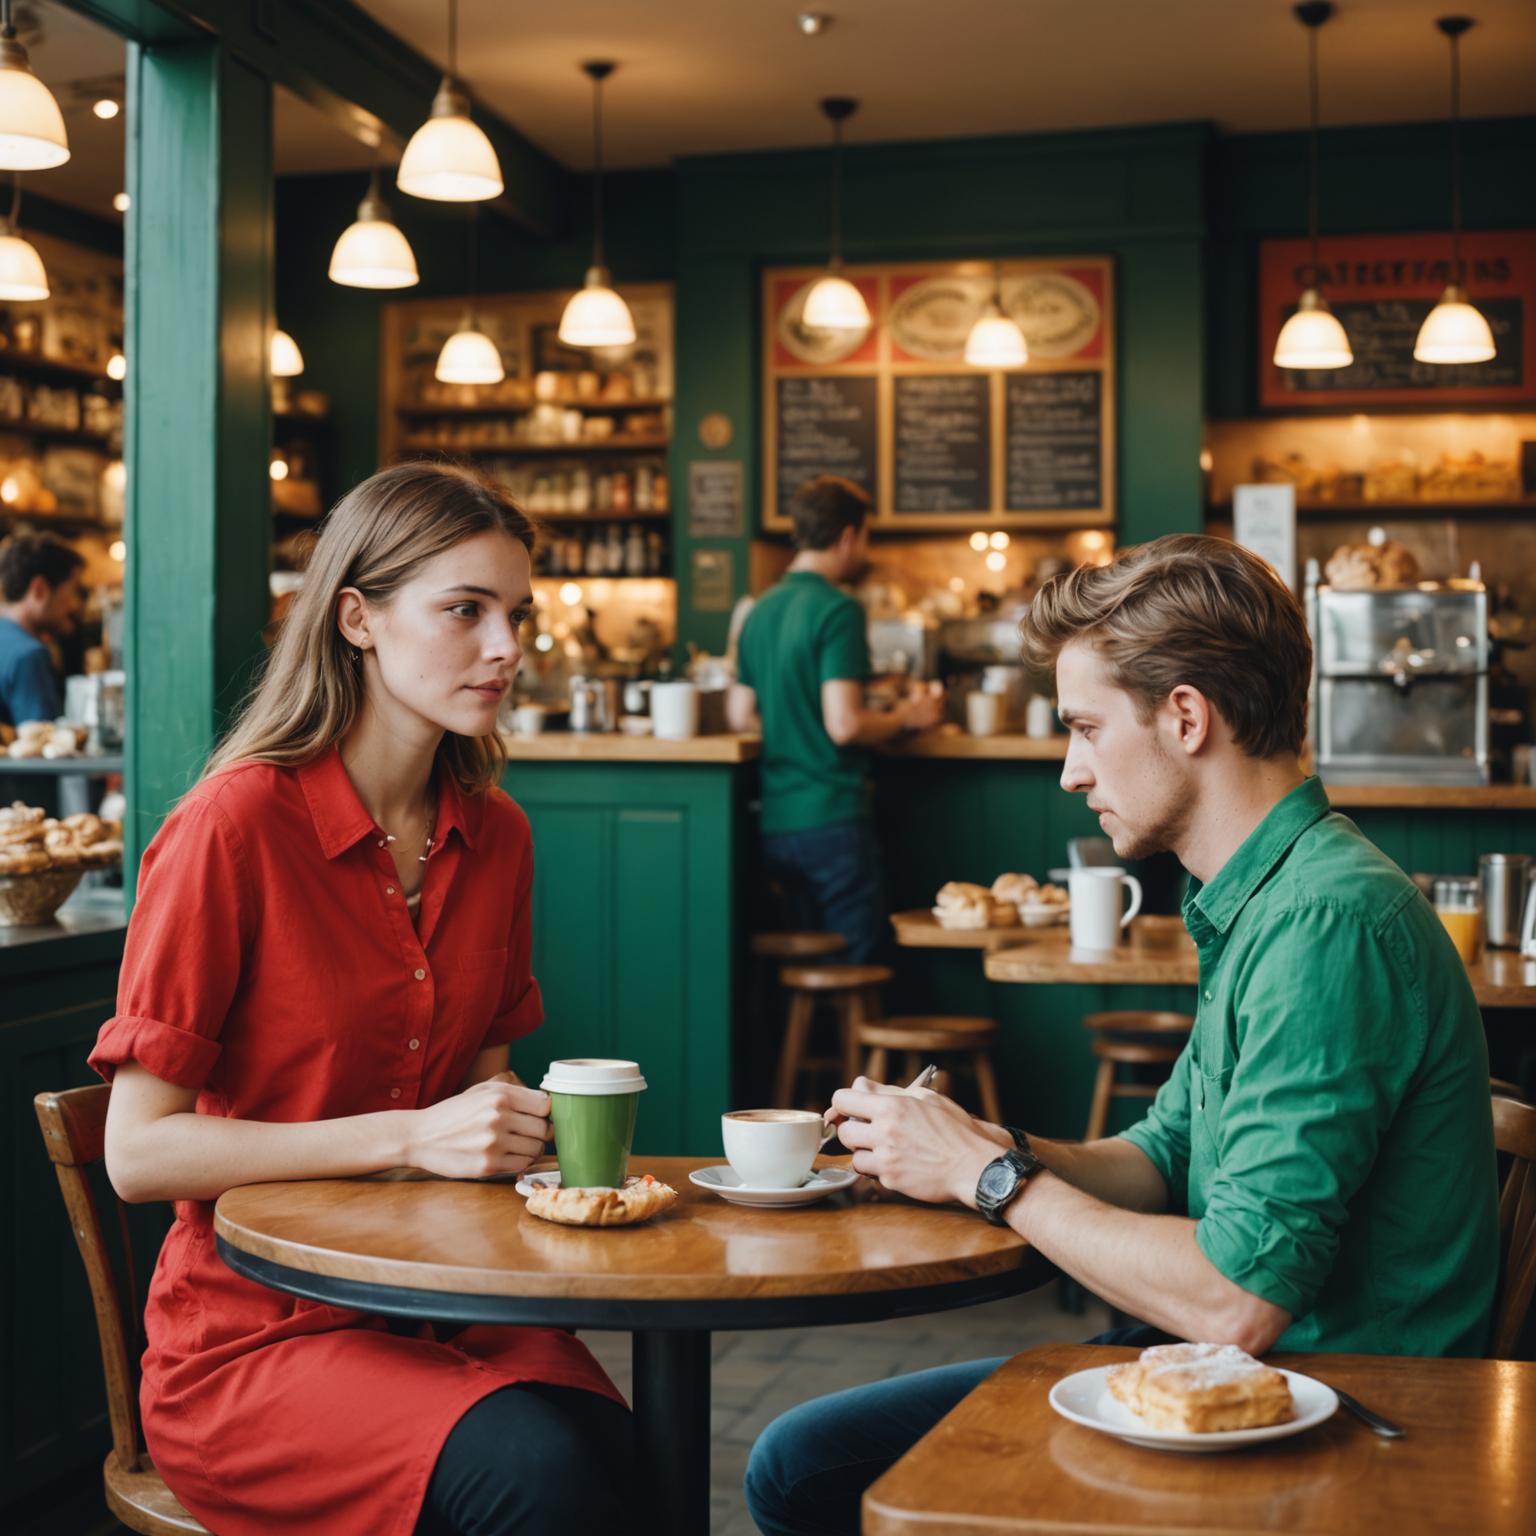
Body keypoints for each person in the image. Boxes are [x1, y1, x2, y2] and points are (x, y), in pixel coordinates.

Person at [745, 534, 1499, 1536]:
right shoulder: (1268, 894)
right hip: (1238, 1388)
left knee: (801, 1471)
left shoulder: (1327, 920)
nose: (1068, 770)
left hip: (1343, 1421)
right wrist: (971, 1146)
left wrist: (993, 1183)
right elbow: (1162, 1156)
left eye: (1086, 728)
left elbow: (1237, 1300)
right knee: (802, 1455)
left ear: (1186, 716)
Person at [90, 464, 634, 1536]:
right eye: (465, 611)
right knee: (539, 1475)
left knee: (634, 1456)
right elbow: (140, 1154)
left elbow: (484, 1087)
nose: (506, 647)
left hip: (451, 1305)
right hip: (256, 1339)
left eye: (516, 614)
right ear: (358, 620)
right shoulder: (232, 828)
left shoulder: (498, 835)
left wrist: (516, 1136)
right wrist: (414, 1135)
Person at [727, 475, 942, 961]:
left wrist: (792, 724)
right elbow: (844, 724)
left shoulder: (759, 611)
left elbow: (742, 715)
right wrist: (908, 715)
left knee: (813, 963)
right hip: (832, 819)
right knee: (859, 964)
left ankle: (816, 1040)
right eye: (865, 536)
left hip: (777, 823)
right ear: (848, 536)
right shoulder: (837, 609)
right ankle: (856, 1041)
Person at [0, 531, 83, 728]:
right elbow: (45, 746)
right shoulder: (29, 655)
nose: (74, 605)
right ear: (40, 589)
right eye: (71, 591)